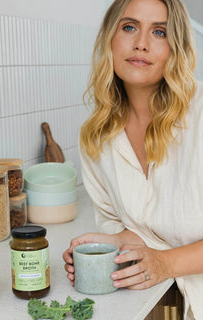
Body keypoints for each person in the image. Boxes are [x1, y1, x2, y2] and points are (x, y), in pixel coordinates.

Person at [62, 0, 203, 319]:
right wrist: (103, 245)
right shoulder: (96, 136)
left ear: (176, 47)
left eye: (160, 32)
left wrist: (165, 263)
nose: (141, 43)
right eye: (129, 27)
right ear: (109, 38)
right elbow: (135, 229)